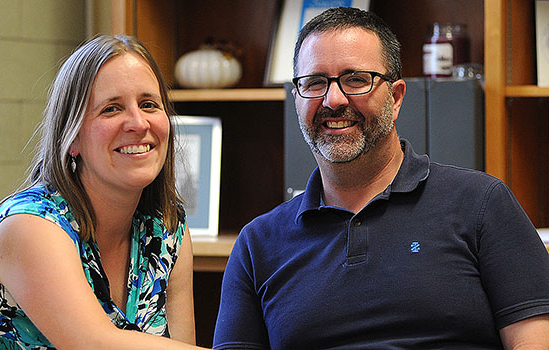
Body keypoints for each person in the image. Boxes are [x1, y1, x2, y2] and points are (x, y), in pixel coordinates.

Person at [213, 7, 549, 350]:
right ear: (296, 99)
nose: (334, 100)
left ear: (396, 97)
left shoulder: (482, 204)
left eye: (356, 79)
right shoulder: (258, 244)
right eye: (314, 83)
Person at [0, 35, 208, 349]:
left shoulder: (168, 227)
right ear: (72, 139)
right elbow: (95, 344)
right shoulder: (30, 225)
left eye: (148, 104)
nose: (138, 123)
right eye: (111, 109)